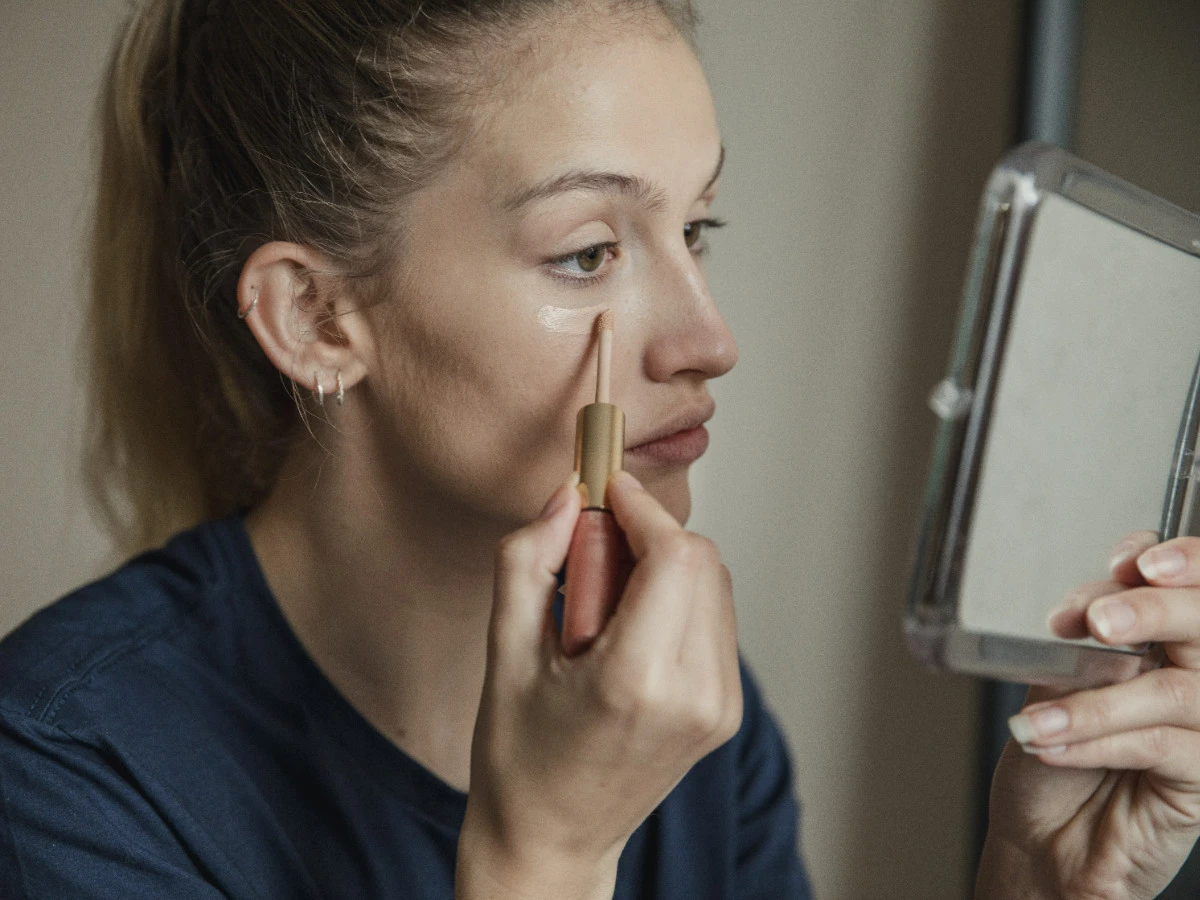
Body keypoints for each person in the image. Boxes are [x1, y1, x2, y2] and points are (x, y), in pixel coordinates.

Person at [0, 1, 1198, 898]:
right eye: (588, 252)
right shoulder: (67, 778)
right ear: (316, 319)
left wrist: (1041, 884)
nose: (710, 340)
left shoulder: (681, 715)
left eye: (697, 227)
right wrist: (546, 856)